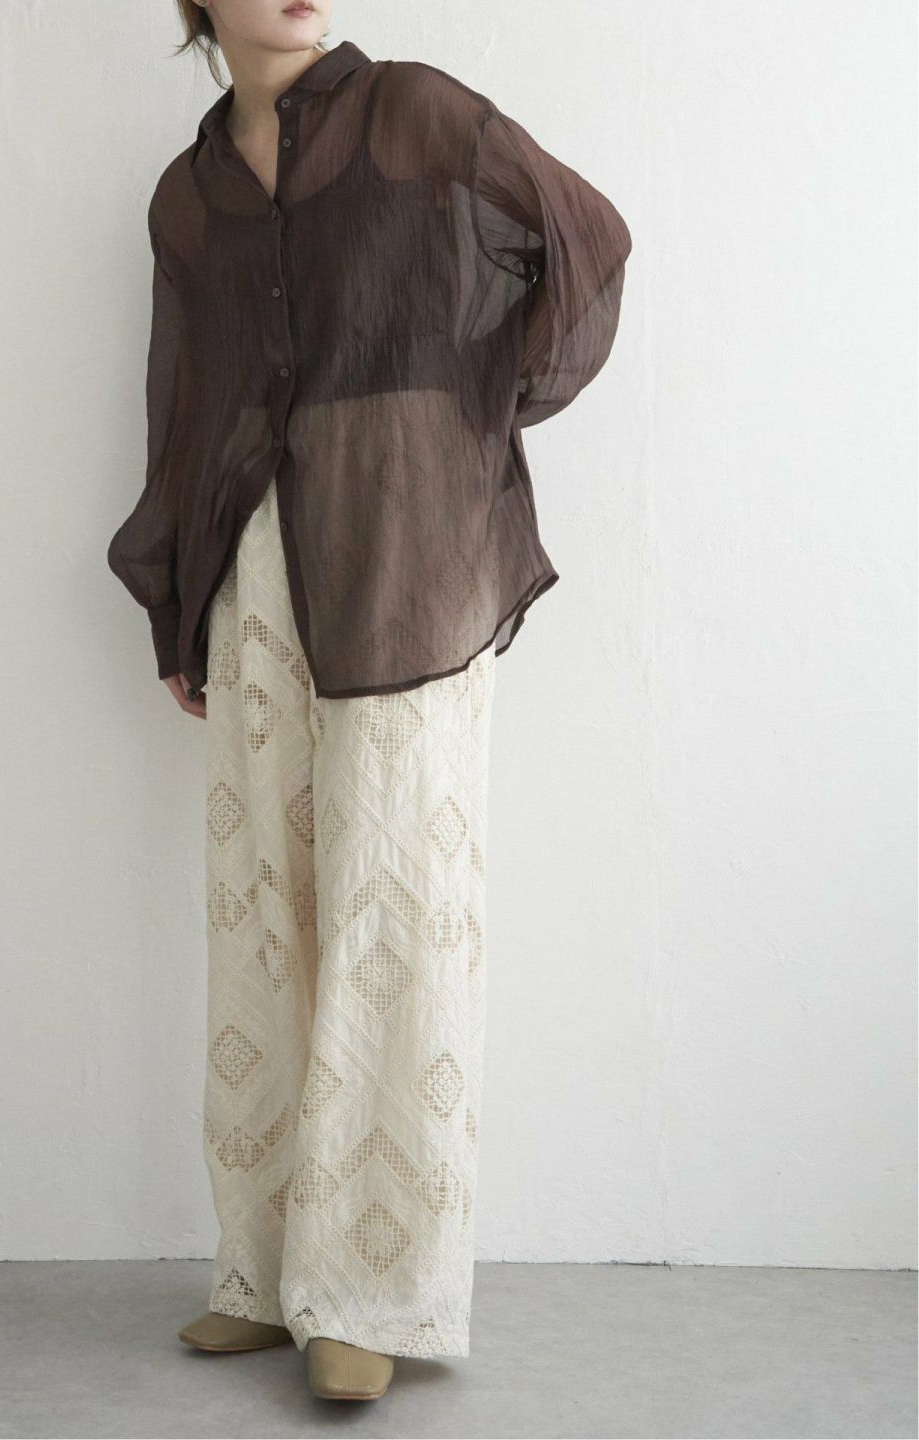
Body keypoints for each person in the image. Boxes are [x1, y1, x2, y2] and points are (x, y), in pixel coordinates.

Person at [107, 0, 632, 1402]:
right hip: (257, 573)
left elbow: (586, 239)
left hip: (407, 563)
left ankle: (373, 1290)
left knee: (393, 905)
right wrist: (175, 595)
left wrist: (468, 419)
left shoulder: (413, 114)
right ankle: (265, 1272)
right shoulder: (189, 195)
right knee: (263, 904)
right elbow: (185, 405)